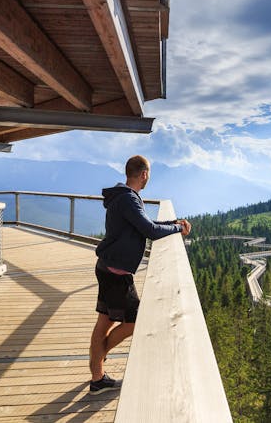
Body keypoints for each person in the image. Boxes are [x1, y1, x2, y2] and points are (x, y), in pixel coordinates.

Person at [88, 155, 191, 395]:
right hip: (117, 273)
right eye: (149, 175)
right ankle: (97, 368)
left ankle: (97, 375)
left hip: (108, 267)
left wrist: (173, 222)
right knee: (135, 321)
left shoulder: (124, 197)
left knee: (104, 320)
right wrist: (177, 228)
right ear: (144, 174)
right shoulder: (128, 199)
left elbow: (144, 224)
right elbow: (151, 231)